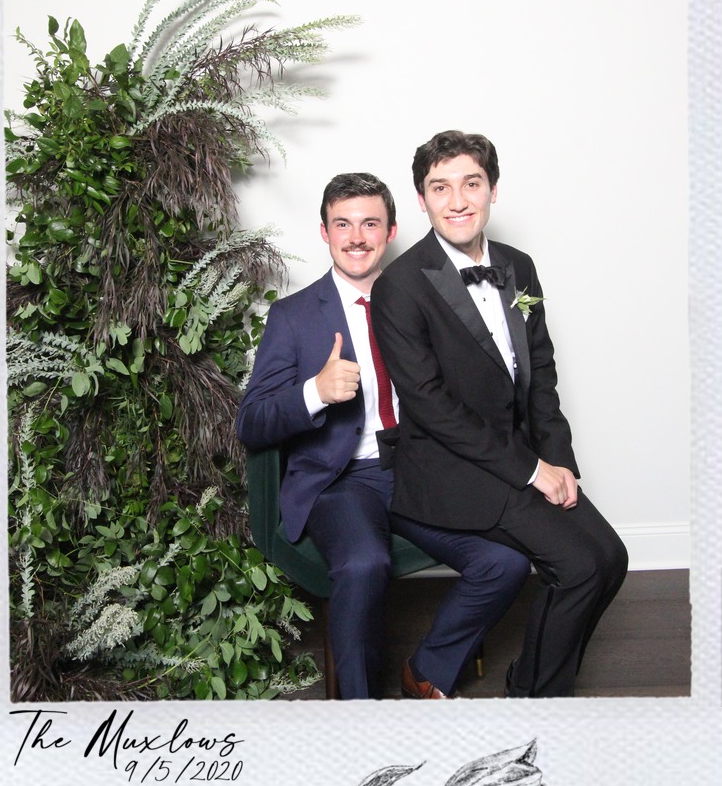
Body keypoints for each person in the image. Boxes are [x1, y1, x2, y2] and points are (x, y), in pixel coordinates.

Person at [236, 172, 531, 700]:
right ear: (324, 233)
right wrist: (315, 392)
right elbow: (252, 422)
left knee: (505, 563)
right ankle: (360, 712)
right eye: (342, 225)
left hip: (420, 470)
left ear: (391, 231)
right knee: (363, 563)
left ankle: (426, 671)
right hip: (342, 481)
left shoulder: (426, 299)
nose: (356, 238)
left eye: (370, 224)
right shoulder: (293, 316)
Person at [371, 131, 629, 698]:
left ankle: (535, 683)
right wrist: (532, 471)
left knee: (612, 557)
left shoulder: (519, 266)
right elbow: (431, 406)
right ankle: (534, 701)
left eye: (471, 183)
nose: (457, 200)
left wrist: (558, 461)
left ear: (492, 190)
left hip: (519, 456)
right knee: (579, 567)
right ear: (421, 199)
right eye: (440, 187)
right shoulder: (400, 287)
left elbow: (542, 373)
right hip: (452, 470)